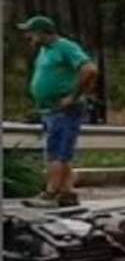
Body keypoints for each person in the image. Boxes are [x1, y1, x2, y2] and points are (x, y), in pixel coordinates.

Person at [20, 15, 98, 207]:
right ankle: (67, 193)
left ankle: (51, 193)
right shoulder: (45, 51)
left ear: (41, 32)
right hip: (50, 109)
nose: (28, 36)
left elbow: (89, 69)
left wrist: (73, 96)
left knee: (56, 152)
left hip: (65, 110)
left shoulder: (65, 47)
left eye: (31, 32)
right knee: (62, 151)